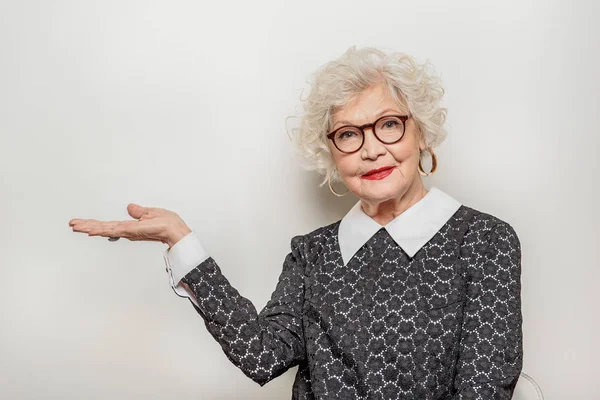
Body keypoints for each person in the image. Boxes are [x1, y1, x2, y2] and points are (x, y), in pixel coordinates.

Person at [69, 46, 523, 399]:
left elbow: (482, 390)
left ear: (419, 130)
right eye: (348, 135)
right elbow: (261, 355)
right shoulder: (314, 253)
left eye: (388, 125)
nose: (370, 150)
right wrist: (180, 239)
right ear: (332, 154)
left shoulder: (485, 241)